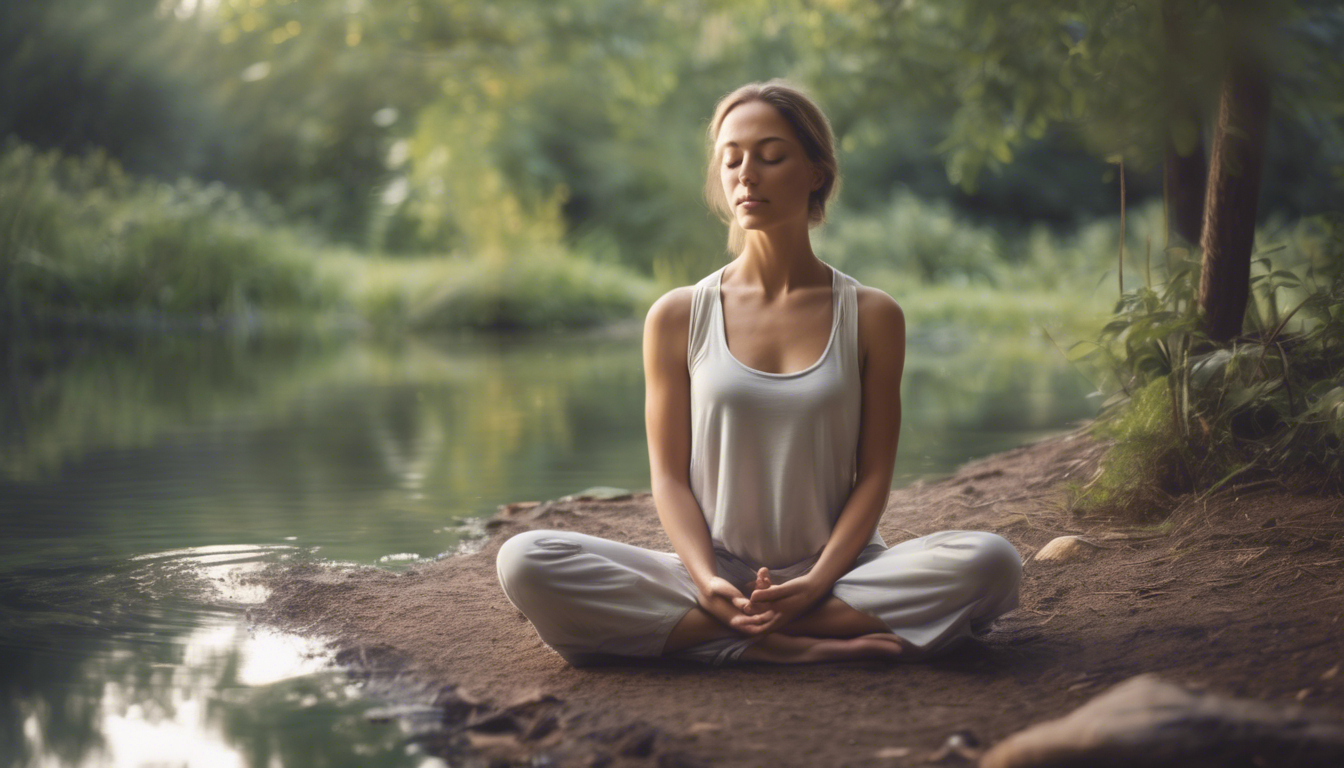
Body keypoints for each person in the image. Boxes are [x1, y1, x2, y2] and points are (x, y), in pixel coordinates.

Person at [496, 79, 1021, 666]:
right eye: (733, 158)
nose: (748, 173)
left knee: (992, 562)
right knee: (525, 559)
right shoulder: (676, 316)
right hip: (713, 571)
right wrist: (708, 581)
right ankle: (782, 641)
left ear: (817, 171)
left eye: (771, 156)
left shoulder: (872, 315)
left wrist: (820, 579)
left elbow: (874, 476)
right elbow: (667, 478)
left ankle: (731, 634)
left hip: (842, 571)